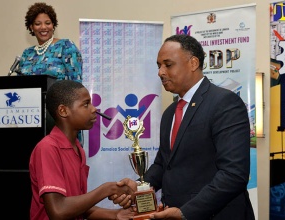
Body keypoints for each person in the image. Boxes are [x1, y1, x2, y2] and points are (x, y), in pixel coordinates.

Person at [112, 34, 255, 220]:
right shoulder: (170, 112)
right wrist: (140, 186)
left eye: (168, 64)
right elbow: (164, 164)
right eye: (159, 66)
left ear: (193, 63)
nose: (160, 72)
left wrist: (185, 212)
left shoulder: (225, 103)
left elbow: (233, 174)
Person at [29, 80, 135, 220]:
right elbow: (58, 210)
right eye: (86, 104)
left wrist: (115, 215)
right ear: (63, 111)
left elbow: (77, 206)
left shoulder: (78, 149)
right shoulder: (48, 148)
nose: (93, 109)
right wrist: (107, 189)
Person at [18, 2, 82, 82]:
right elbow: (20, 86)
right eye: (38, 24)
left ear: (53, 25)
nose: (43, 27)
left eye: (47, 23)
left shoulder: (66, 46)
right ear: (31, 27)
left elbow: (76, 84)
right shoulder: (27, 53)